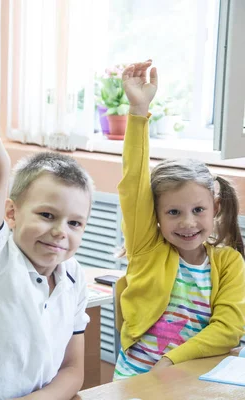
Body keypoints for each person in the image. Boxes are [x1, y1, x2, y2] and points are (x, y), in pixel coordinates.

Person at [0, 3, 93, 398]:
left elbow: (74, 371)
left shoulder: (75, 278)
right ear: (11, 212)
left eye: (75, 223)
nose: (61, 232)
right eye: (46, 214)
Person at [114, 60, 245, 379]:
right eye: (173, 212)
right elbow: (133, 182)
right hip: (136, 379)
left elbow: (228, 330)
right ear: (155, 215)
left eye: (198, 210)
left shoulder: (229, 263)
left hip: (189, 378)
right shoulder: (147, 248)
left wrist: (171, 360)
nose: (187, 223)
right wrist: (138, 112)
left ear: (215, 207)